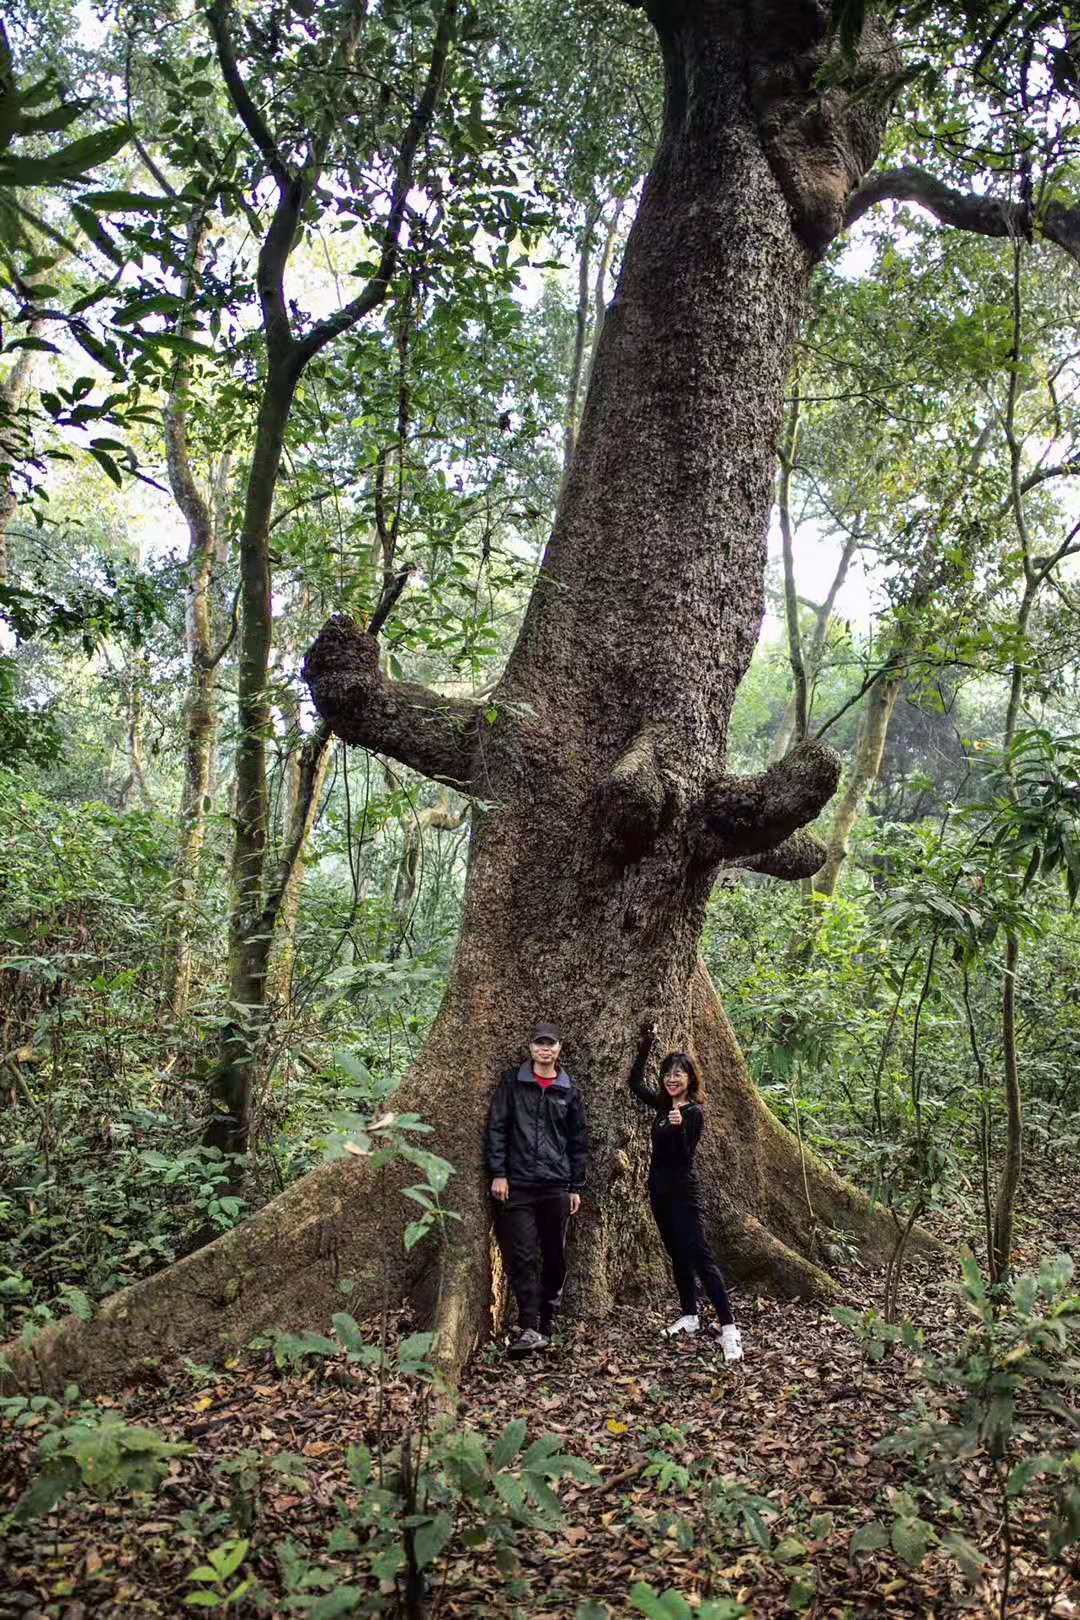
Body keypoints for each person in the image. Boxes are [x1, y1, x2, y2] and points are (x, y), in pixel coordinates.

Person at [628, 1022, 743, 1363]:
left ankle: (730, 1329)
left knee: (700, 1257)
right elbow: (635, 1085)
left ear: (691, 1079)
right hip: (659, 1192)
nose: (672, 1078)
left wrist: (678, 1130)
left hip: (683, 1192)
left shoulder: (692, 1113)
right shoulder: (664, 1107)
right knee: (677, 1254)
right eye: (668, 1073)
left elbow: (684, 1155)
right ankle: (690, 1315)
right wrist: (646, 1046)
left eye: (680, 1073)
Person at [485, 1022, 588, 1357]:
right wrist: (498, 1173)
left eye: (551, 1044)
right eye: (539, 1044)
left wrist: (575, 1185)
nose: (545, 1050)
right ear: (530, 1048)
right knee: (524, 1255)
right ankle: (529, 1325)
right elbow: (497, 1127)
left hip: (557, 1185)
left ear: (559, 1049)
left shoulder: (568, 1089)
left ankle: (547, 1320)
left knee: (555, 1256)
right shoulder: (513, 1083)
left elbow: (578, 1140)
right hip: (519, 1185)